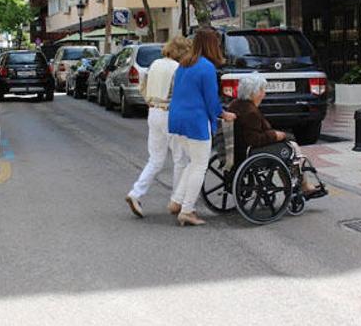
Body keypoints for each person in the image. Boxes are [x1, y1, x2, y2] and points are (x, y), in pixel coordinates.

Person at [168, 28, 236, 226]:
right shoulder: (206, 67)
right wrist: (224, 114)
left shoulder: (184, 64)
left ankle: (176, 201)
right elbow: (211, 101)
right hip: (195, 121)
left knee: (192, 162)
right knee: (199, 165)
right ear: (212, 45)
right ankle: (187, 210)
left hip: (176, 119)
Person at [226, 74, 325, 197]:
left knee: (289, 147)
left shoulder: (236, 104)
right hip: (251, 152)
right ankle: (304, 185)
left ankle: (295, 185)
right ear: (254, 92)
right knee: (291, 149)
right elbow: (254, 139)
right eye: (262, 90)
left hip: (240, 150)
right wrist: (275, 135)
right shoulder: (250, 112)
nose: (264, 94)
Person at [125, 36, 192, 218]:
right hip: (169, 112)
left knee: (155, 159)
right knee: (180, 159)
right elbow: (182, 93)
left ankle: (136, 193)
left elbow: (142, 87)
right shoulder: (178, 68)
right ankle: (176, 200)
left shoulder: (154, 64)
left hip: (153, 111)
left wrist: (150, 101)